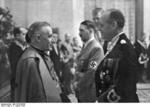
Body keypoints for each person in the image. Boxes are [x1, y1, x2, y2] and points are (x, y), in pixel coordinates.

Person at [95, 9, 139, 102]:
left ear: (114, 25)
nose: (99, 28)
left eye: (102, 25)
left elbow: (125, 86)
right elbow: (99, 65)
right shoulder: (108, 44)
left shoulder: (125, 48)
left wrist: (102, 100)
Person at [14, 21, 61, 102]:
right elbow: (37, 96)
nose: (53, 41)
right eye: (50, 36)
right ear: (38, 38)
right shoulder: (31, 61)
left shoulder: (42, 55)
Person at [73, 20, 104, 102]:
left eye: (82, 30)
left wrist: (78, 85)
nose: (79, 33)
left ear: (91, 31)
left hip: (88, 92)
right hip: (82, 92)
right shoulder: (86, 46)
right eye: (79, 30)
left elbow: (92, 70)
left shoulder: (96, 48)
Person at [8, 27, 27, 102]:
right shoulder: (13, 48)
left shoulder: (26, 47)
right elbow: (16, 66)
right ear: (17, 36)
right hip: (17, 80)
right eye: (24, 34)